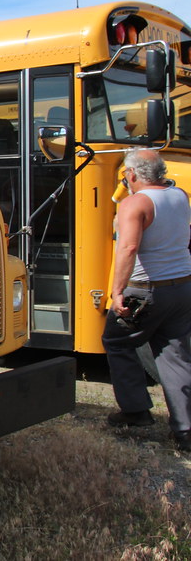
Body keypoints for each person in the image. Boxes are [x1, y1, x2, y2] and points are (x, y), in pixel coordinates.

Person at [102, 148, 191, 453]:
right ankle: (185, 429)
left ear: (131, 175)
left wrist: (117, 293)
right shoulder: (180, 196)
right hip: (181, 287)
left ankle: (135, 411)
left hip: (146, 290)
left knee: (117, 340)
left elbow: (127, 248)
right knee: (174, 354)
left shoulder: (134, 203)